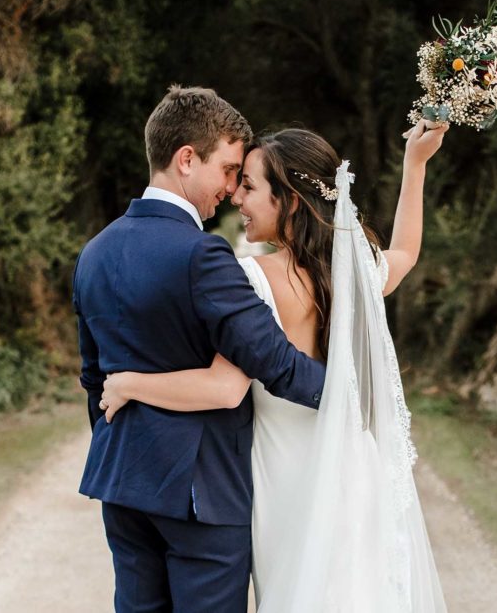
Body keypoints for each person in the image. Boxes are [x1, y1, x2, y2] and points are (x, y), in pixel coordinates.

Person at [101, 122, 450, 611]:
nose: (235, 198)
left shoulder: (253, 277)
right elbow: (407, 253)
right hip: (352, 465)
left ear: (288, 200)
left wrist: (131, 384)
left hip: (287, 477)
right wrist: (417, 165)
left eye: (248, 186)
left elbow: (224, 387)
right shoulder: (358, 264)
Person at [72, 85, 329, 613]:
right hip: (200, 496)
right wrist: (357, 397)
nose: (233, 189)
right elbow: (275, 364)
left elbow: (93, 379)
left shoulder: (93, 253)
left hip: (123, 489)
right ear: (186, 159)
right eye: (230, 169)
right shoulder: (203, 254)